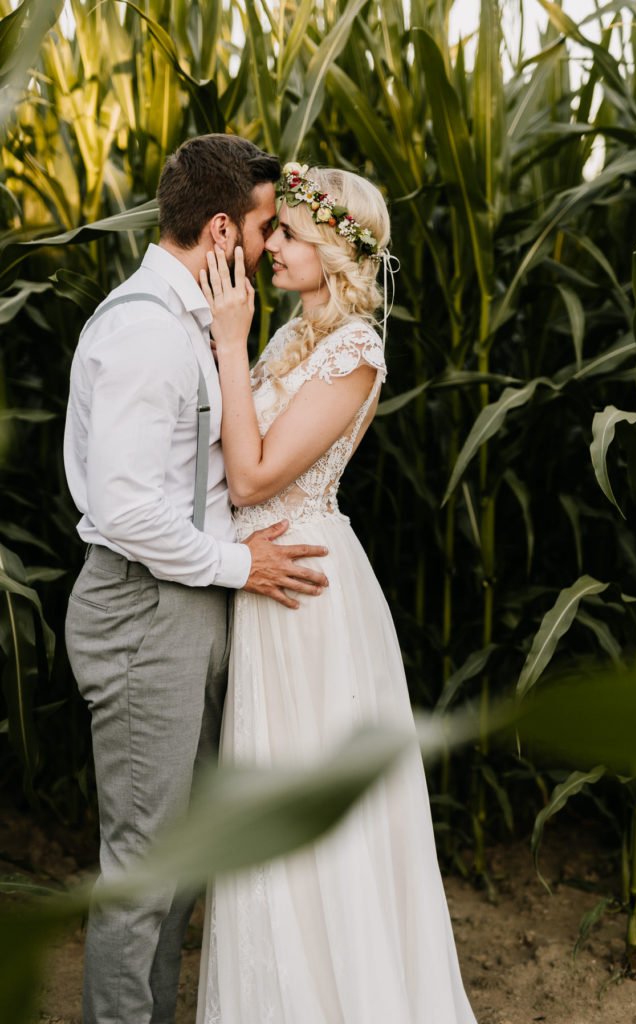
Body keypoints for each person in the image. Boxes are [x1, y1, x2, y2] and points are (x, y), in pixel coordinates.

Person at [195, 164, 477, 1022]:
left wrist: (229, 342)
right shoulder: (293, 338)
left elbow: (250, 477)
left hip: (308, 594)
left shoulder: (355, 352)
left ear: (333, 247)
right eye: (272, 230)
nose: (269, 244)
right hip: (266, 584)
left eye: (285, 233)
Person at [63, 135, 330, 1024]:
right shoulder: (143, 332)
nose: (269, 245)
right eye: (262, 228)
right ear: (221, 229)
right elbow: (131, 511)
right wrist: (241, 565)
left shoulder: (202, 321)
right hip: (146, 608)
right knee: (144, 866)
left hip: (191, 603)